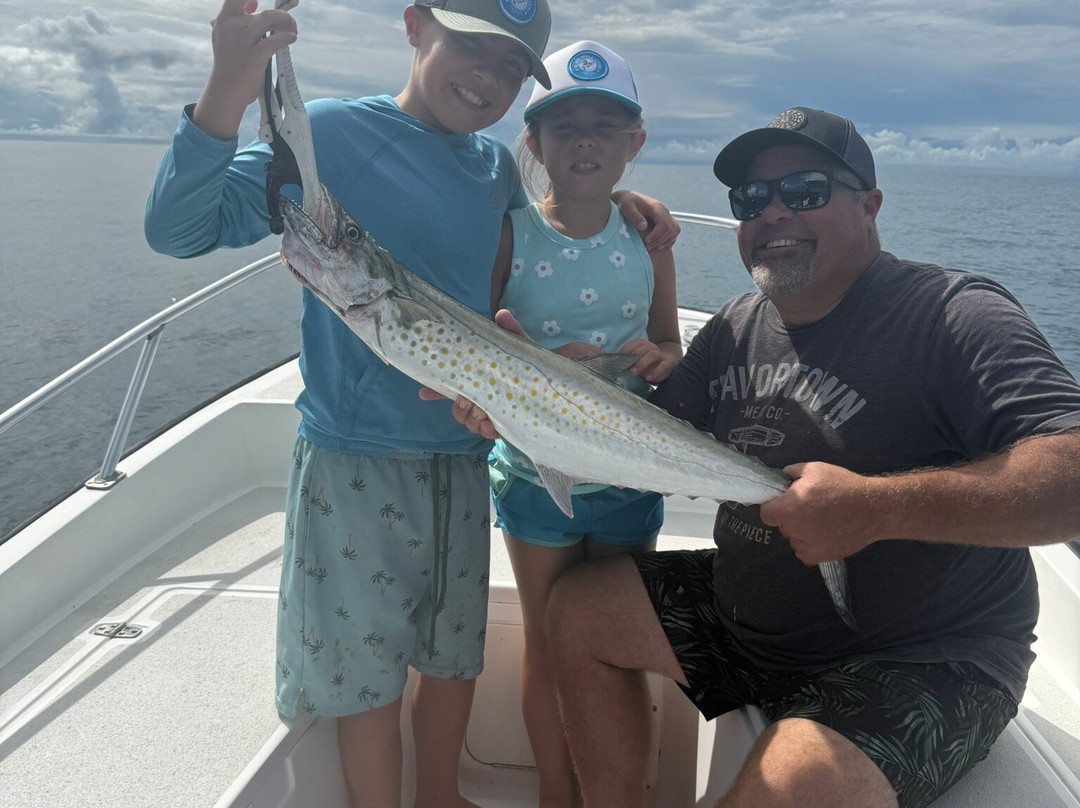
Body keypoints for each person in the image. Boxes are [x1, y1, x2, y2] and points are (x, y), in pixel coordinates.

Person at [447, 107, 1080, 807]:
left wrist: (877, 508)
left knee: (792, 783)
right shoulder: (736, 327)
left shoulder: (952, 314)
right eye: (751, 200)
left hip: (920, 657)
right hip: (751, 623)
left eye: (805, 191)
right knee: (578, 610)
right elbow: (641, 439)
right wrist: (521, 397)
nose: (774, 212)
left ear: (869, 205)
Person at [142, 2, 679, 806]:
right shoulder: (330, 133)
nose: (488, 79)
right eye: (472, 47)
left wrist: (638, 208)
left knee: (452, 653)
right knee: (366, 669)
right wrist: (228, 85)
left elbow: (528, 258)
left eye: (510, 69)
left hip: (466, 454)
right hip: (355, 456)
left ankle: (442, 796)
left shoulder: (493, 171)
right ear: (416, 25)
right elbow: (181, 229)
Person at [486, 40, 681, 807]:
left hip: (628, 470)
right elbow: (485, 339)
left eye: (606, 126)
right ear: (534, 143)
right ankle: (555, 794)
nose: (586, 141)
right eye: (564, 128)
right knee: (546, 641)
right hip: (535, 471)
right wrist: (534, 358)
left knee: (616, 645)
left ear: (634, 145)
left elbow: (668, 339)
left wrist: (661, 358)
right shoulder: (510, 232)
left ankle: (620, 789)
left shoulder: (649, 239)